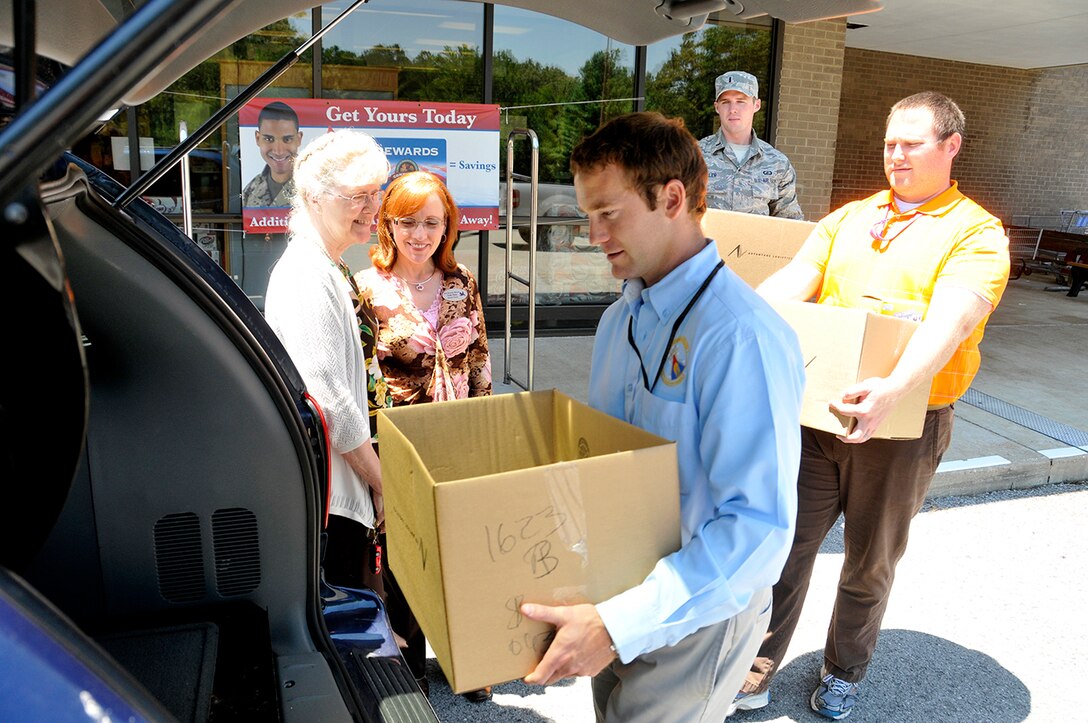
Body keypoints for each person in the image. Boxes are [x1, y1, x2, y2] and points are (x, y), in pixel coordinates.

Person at [519, 111, 806, 722]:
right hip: (623, 590)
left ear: (672, 198)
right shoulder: (619, 320)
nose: (593, 235)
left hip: (695, 612)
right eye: (587, 215)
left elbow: (757, 531)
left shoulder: (740, 338)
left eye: (609, 213)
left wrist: (623, 623)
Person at [733, 91, 1011, 720]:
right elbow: (789, 287)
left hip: (903, 426)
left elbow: (952, 321)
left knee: (869, 562)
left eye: (912, 142)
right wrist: (734, 323)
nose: (896, 155)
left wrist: (894, 389)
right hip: (819, 416)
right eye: (890, 142)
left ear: (950, 146)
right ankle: (756, 666)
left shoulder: (975, 232)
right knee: (783, 548)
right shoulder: (850, 219)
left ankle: (843, 671)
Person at [355, 170, 491, 700]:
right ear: (389, 224)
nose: (420, 234)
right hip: (399, 445)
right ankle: (410, 668)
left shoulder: (462, 285)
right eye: (408, 221)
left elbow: (479, 362)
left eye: (431, 222)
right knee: (406, 558)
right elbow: (361, 377)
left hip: (456, 439)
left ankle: (469, 661)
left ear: (447, 226)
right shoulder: (367, 290)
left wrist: (487, 436)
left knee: (461, 554)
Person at [264, 129, 389, 593]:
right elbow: (328, 397)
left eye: (376, 193)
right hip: (331, 501)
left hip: (337, 493)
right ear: (314, 198)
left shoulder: (326, 267)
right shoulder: (305, 276)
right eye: (358, 195)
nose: (372, 208)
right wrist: (381, 482)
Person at [698, 70, 804, 219]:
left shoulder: (777, 163)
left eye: (741, 101)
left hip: (757, 243)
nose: (733, 109)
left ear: (756, 105)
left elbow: (790, 223)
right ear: (717, 107)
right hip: (708, 242)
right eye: (725, 102)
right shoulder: (695, 156)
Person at [242, 101, 303, 207]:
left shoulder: (315, 185)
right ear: (257, 138)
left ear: (299, 139)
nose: (278, 151)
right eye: (269, 139)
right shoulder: (250, 191)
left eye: (287, 139)